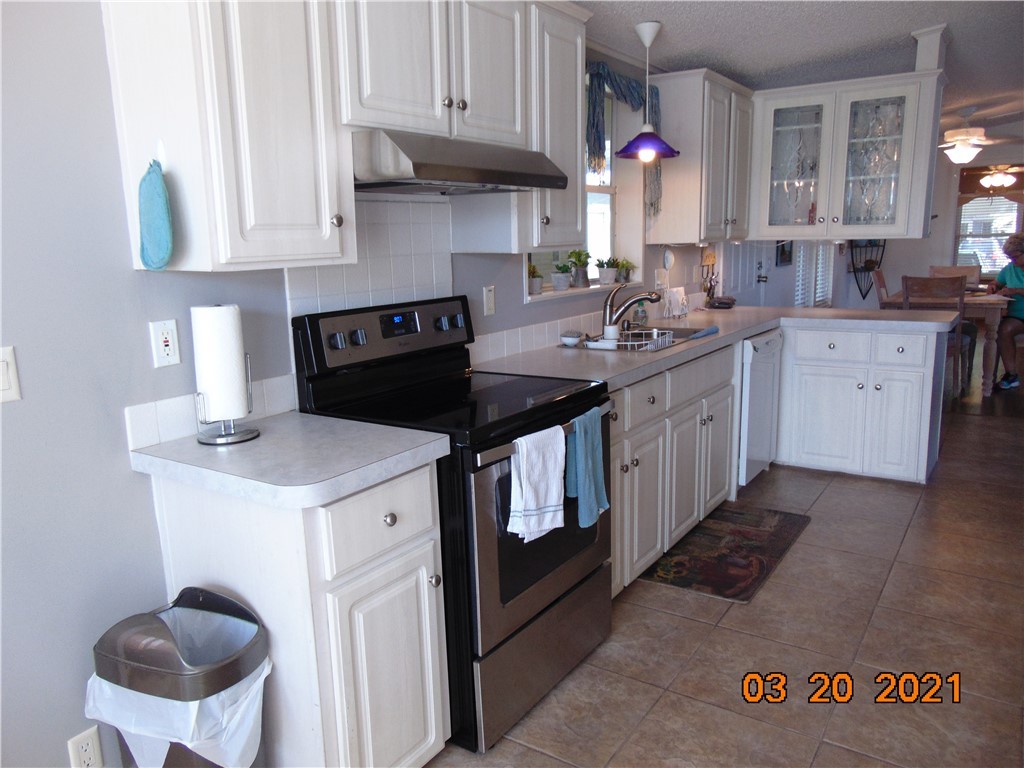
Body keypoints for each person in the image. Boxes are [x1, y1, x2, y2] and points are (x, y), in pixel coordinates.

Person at [989, 233, 1024, 389]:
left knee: (1004, 328)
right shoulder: (1009, 269)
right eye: (1010, 258)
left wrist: (1016, 290)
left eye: (1015, 257)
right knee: (1002, 329)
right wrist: (993, 287)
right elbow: (996, 282)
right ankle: (1011, 375)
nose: (1013, 261)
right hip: (1016, 316)